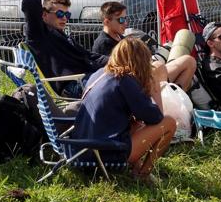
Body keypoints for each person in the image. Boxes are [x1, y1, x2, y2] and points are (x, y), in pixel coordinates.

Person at [72, 37, 176, 180]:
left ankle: (137, 167)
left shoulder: (99, 74)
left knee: (136, 122)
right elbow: (156, 117)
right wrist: (154, 88)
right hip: (106, 154)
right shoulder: (124, 79)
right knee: (169, 122)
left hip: (82, 151)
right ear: (141, 60)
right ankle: (143, 176)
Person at [92, 1, 197, 91]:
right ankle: (173, 95)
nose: (125, 23)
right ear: (107, 22)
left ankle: (174, 95)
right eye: (121, 20)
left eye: (126, 18)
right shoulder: (103, 44)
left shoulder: (119, 37)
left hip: (146, 75)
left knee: (188, 61)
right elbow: (115, 75)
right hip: (140, 83)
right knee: (187, 63)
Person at [21, 0, 108, 98]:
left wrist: (117, 59)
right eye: (60, 14)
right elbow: (30, 1)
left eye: (67, 15)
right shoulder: (39, 34)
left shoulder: (64, 36)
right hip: (72, 86)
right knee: (119, 81)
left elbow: (88, 55)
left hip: (85, 78)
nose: (64, 18)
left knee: (125, 73)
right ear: (44, 15)